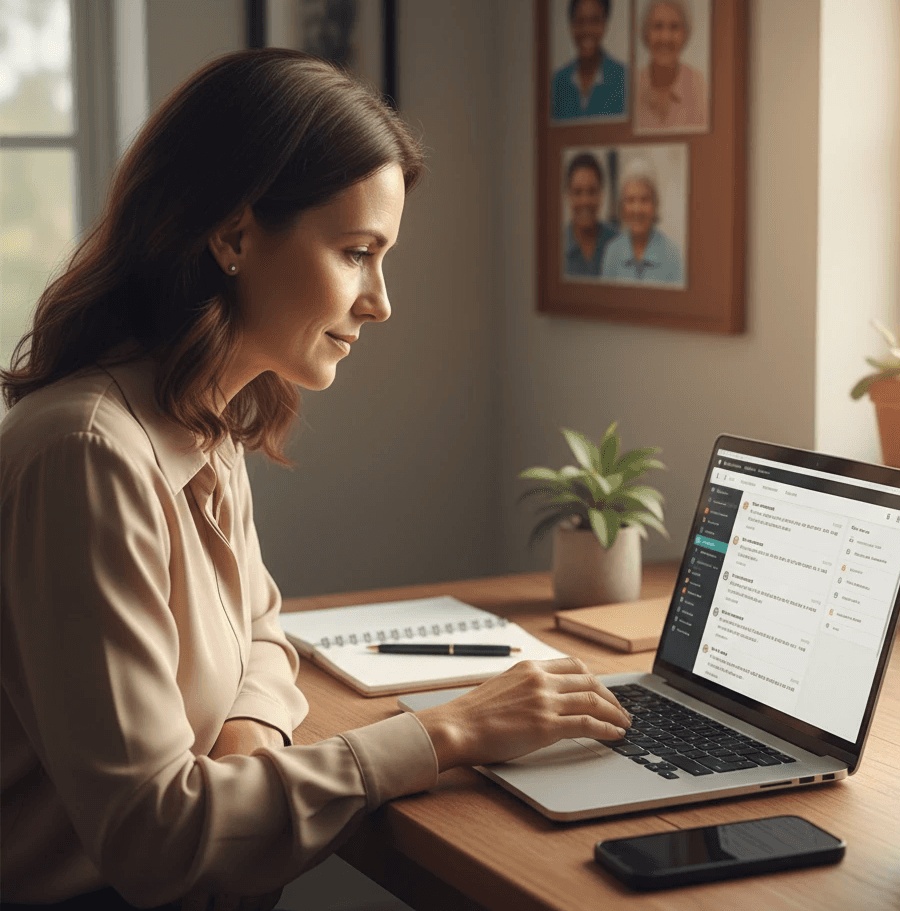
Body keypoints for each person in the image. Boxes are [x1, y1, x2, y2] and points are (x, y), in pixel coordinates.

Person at [0, 49, 631, 911]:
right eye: (356, 252)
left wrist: (245, 743)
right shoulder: (88, 454)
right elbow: (155, 840)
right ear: (231, 235)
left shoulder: (200, 415)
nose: (380, 300)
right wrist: (449, 732)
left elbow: (263, 629)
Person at [634, 0, 708, 132]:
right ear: (645, 33)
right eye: (657, 26)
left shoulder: (701, 89)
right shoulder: (632, 88)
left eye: (674, 27)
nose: (665, 37)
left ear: (685, 34)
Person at [601, 172, 685, 284]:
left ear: (655, 206)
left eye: (644, 200)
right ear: (622, 207)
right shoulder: (612, 252)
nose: (637, 209)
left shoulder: (673, 255)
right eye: (630, 200)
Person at [551, 0, 627, 121]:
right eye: (580, 21)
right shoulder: (558, 82)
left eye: (595, 21)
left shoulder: (624, 79)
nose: (587, 29)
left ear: (605, 23)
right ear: (571, 24)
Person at [562, 152, 618, 278]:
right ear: (568, 195)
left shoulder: (618, 243)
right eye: (577, 192)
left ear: (601, 195)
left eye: (592, 191)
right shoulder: (555, 248)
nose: (585, 201)